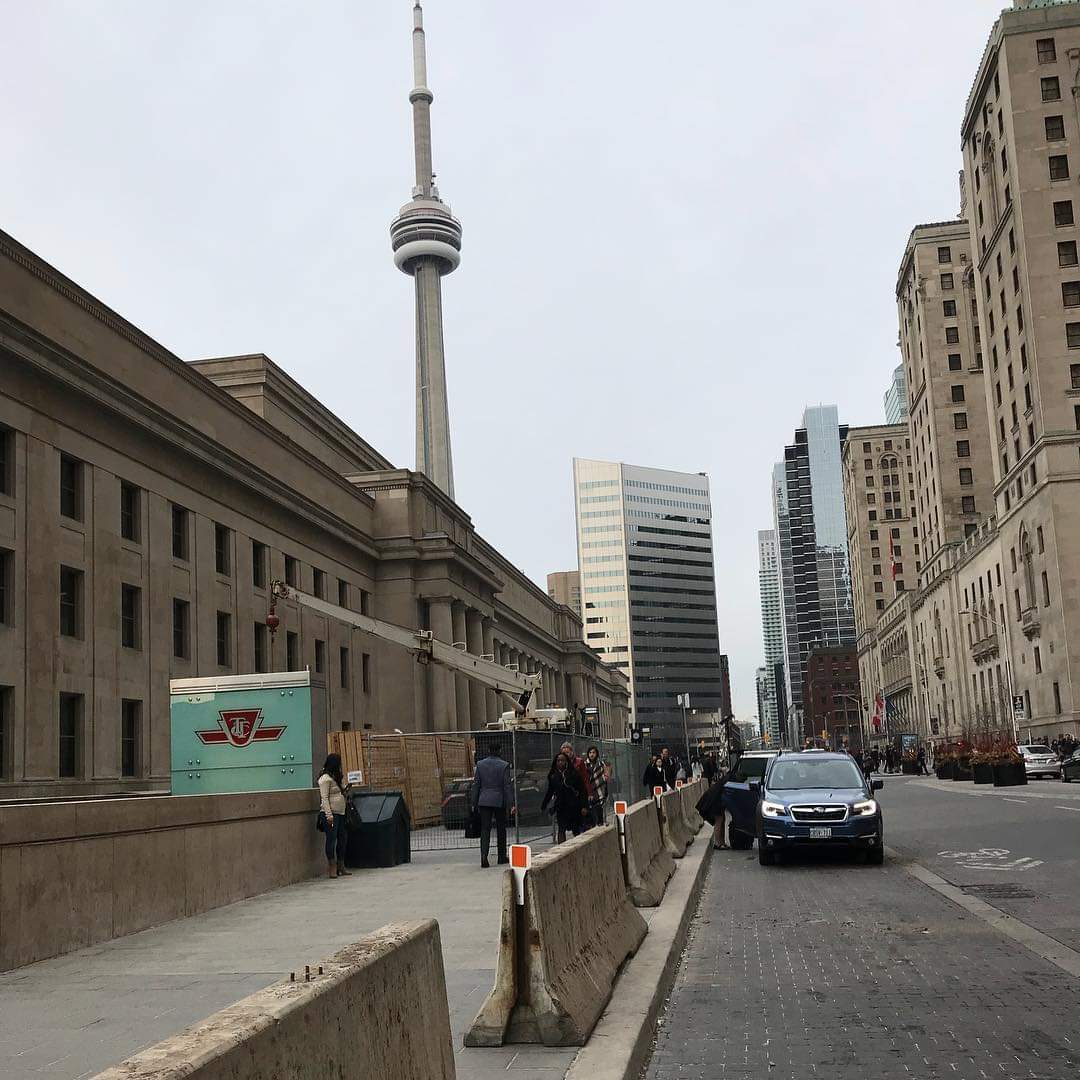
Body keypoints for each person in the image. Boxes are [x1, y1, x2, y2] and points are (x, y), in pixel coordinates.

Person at [471, 742, 514, 868]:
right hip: (499, 800)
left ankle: (484, 856)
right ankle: (501, 856)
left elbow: (476, 785)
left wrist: (474, 802)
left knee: (485, 828)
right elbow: (507, 786)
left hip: (484, 800)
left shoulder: (480, 764)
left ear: (488, 750)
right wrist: (511, 803)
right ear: (500, 750)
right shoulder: (504, 765)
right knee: (501, 828)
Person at [317, 752, 351, 880]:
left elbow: (342, 790)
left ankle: (341, 864)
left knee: (343, 838)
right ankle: (332, 866)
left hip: (341, 812)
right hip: (331, 814)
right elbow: (324, 797)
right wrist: (328, 814)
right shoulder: (325, 779)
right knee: (331, 839)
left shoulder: (336, 777)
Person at [541, 752, 587, 842]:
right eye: (558, 761)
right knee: (561, 829)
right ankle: (561, 848)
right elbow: (550, 791)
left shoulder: (573, 774)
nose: (560, 762)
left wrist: (584, 806)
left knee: (576, 829)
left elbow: (582, 790)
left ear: (566, 762)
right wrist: (544, 805)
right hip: (561, 807)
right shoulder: (553, 776)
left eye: (562, 760)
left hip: (574, 806)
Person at [560, 741, 596, 828]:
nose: (566, 755)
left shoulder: (579, 762)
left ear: (571, 752)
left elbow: (585, 778)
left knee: (582, 815)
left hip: (580, 793)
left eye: (568, 752)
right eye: (564, 753)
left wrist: (589, 793)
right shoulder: (560, 764)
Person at [585, 745, 608, 826]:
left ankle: (600, 824)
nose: (592, 754)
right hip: (589, 792)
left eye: (593, 752)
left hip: (599, 791)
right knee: (591, 813)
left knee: (599, 810)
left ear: (596, 754)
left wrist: (604, 780)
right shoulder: (585, 764)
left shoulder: (601, 764)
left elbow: (605, 775)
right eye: (590, 753)